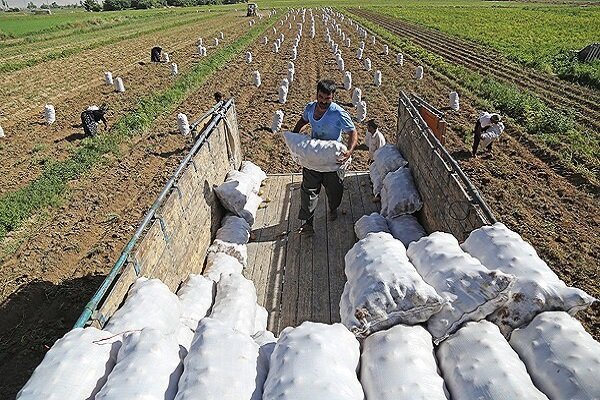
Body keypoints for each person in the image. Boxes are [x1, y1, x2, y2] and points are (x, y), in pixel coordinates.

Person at [291, 79, 358, 234]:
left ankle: (333, 207)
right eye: (321, 97)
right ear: (317, 94)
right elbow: (303, 120)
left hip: (332, 158)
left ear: (332, 98)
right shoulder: (310, 108)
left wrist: (349, 151)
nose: (323, 101)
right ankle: (308, 223)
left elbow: (352, 132)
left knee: (335, 189)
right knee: (308, 189)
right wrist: (294, 136)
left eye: (327, 99)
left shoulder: (338, 113)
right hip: (314, 156)